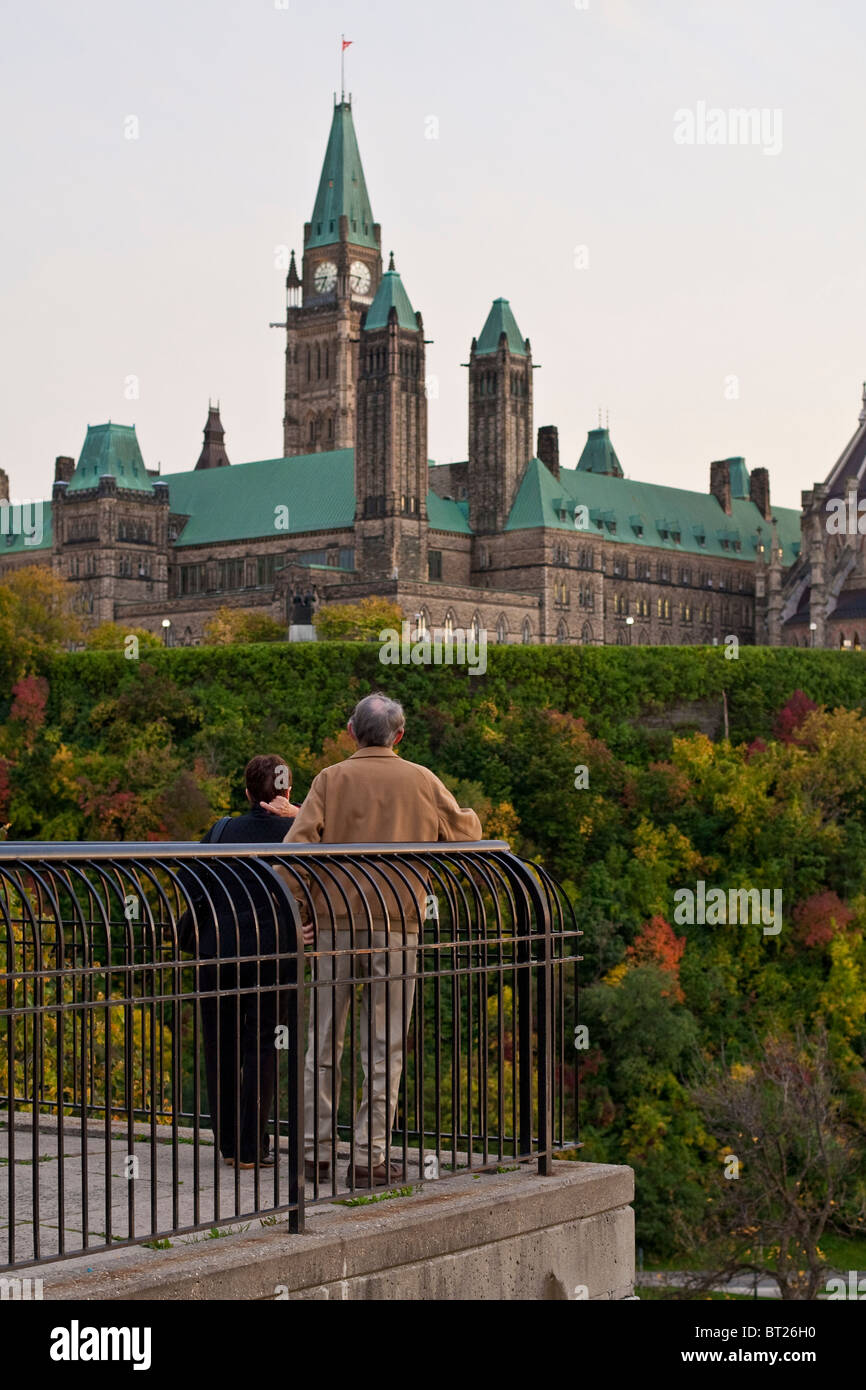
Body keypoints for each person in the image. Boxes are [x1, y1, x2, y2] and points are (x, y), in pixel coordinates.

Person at [283, 694, 482, 1187]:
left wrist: (300, 914)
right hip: (396, 922)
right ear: (399, 736)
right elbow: (466, 834)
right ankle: (370, 1159)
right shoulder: (421, 779)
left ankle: (314, 1153)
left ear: (351, 731)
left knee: (323, 1041)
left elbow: (292, 853)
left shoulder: (330, 779)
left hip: (333, 923)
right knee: (384, 1044)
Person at [182, 755, 300, 1169]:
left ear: (248, 793)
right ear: (286, 792)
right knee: (265, 1045)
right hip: (274, 953)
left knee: (220, 1045)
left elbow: (189, 877)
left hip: (218, 950)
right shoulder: (297, 832)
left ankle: (229, 1145)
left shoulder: (222, 830)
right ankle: (254, 1147)